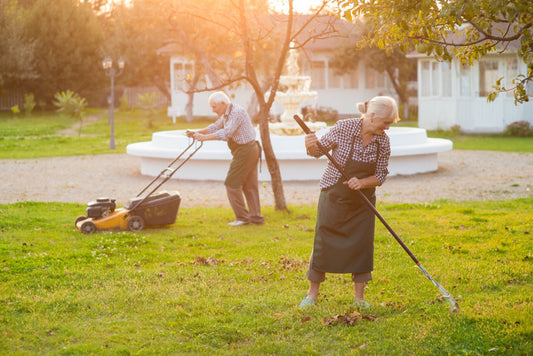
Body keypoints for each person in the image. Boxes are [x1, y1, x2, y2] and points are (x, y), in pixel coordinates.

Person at [298, 96, 400, 309]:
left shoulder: (383, 141)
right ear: (372, 117)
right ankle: (311, 295)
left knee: (361, 245)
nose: (388, 128)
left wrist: (362, 182)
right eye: (386, 123)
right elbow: (317, 151)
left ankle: (359, 299)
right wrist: (309, 146)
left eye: (390, 124)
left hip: (362, 202)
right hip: (333, 194)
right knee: (322, 242)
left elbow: (381, 175)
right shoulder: (344, 127)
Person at [186, 91, 264, 226]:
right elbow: (215, 127)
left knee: (232, 183)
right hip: (249, 150)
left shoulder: (236, 112)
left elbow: (227, 133)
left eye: (214, 106)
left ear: (223, 103)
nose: (212, 109)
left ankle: (242, 219)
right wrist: (197, 132)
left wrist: (204, 138)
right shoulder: (227, 114)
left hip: (246, 150)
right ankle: (256, 218)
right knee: (250, 185)